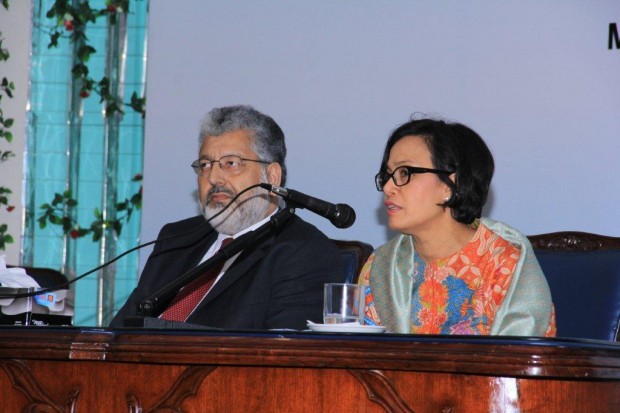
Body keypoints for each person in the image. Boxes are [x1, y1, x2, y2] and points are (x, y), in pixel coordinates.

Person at [110, 105, 345, 330]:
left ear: (272, 176)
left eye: (231, 164)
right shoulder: (176, 239)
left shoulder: (305, 253)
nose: (213, 178)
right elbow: (119, 332)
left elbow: (280, 358)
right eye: (205, 164)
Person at [359, 116, 556, 336]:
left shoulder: (505, 265)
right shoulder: (383, 267)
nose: (387, 187)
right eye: (387, 175)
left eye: (405, 172)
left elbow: (520, 361)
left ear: (450, 185)